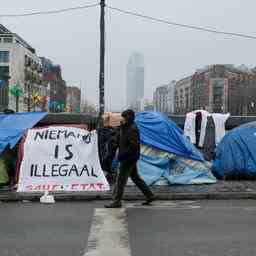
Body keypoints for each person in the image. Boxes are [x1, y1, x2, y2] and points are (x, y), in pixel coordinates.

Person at [105, 109, 155, 208]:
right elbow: (119, 139)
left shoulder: (132, 129)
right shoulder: (125, 127)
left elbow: (134, 146)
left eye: (124, 117)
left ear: (128, 117)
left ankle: (117, 201)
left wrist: (122, 154)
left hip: (128, 159)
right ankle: (149, 195)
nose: (122, 119)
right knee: (136, 178)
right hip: (129, 158)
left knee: (120, 180)